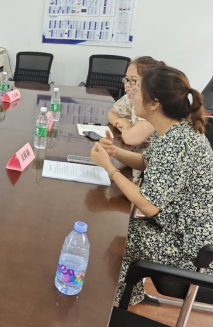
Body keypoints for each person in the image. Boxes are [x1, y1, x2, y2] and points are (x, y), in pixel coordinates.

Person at [90, 65, 213, 305]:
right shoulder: (172, 129)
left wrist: (110, 169)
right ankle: (127, 297)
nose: (131, 94)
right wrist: (114, 152)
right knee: (117, 229)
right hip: (174, 228)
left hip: (189, 247)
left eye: (137, 91)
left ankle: (115, 303)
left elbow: (148, 205)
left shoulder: (178, 143)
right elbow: (147, 162)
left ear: (155, 103)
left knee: (118, 237)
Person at [107, 56, 164, 182]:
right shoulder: (132, 96)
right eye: (126, 79)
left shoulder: (153, 106)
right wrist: (121, 122)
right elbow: (112, 112)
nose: (127, 84)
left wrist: (126, 125)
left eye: (133, 80)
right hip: (138, 158)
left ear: (151, 83)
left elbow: (131, 139)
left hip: (150, 170)